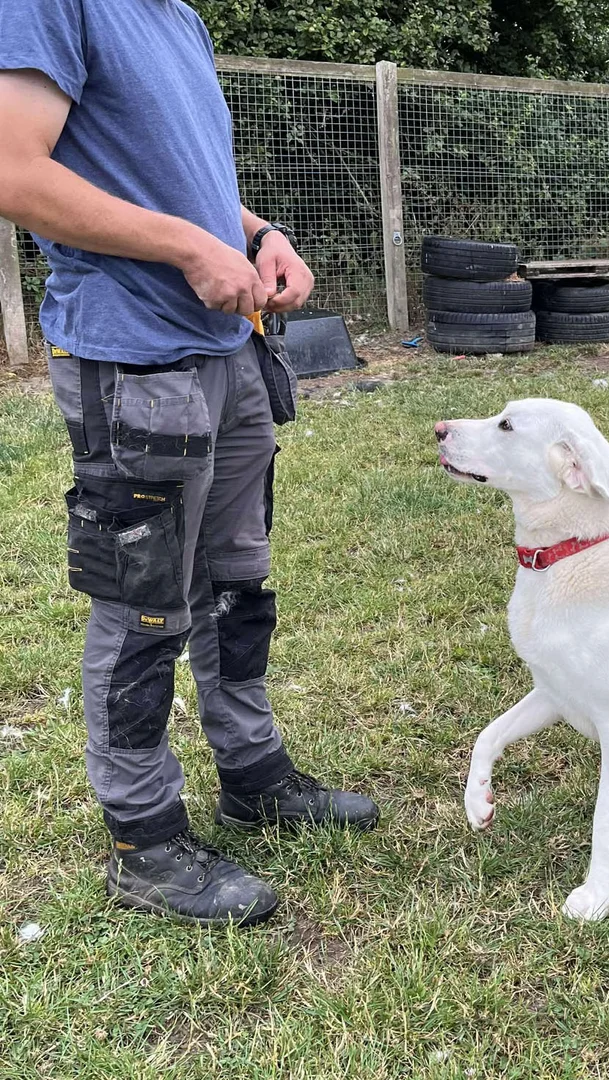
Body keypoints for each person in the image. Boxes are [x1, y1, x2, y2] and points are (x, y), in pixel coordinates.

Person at [0, 1, 378, 928]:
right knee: (144, 601)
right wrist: (185, 246)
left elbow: (185, 184)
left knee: (237, 581)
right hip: (133, 361)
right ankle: (144, 839)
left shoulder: (177, 16)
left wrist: (253, 235)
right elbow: (13, 172)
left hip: (229, 353)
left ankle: (254, 777)